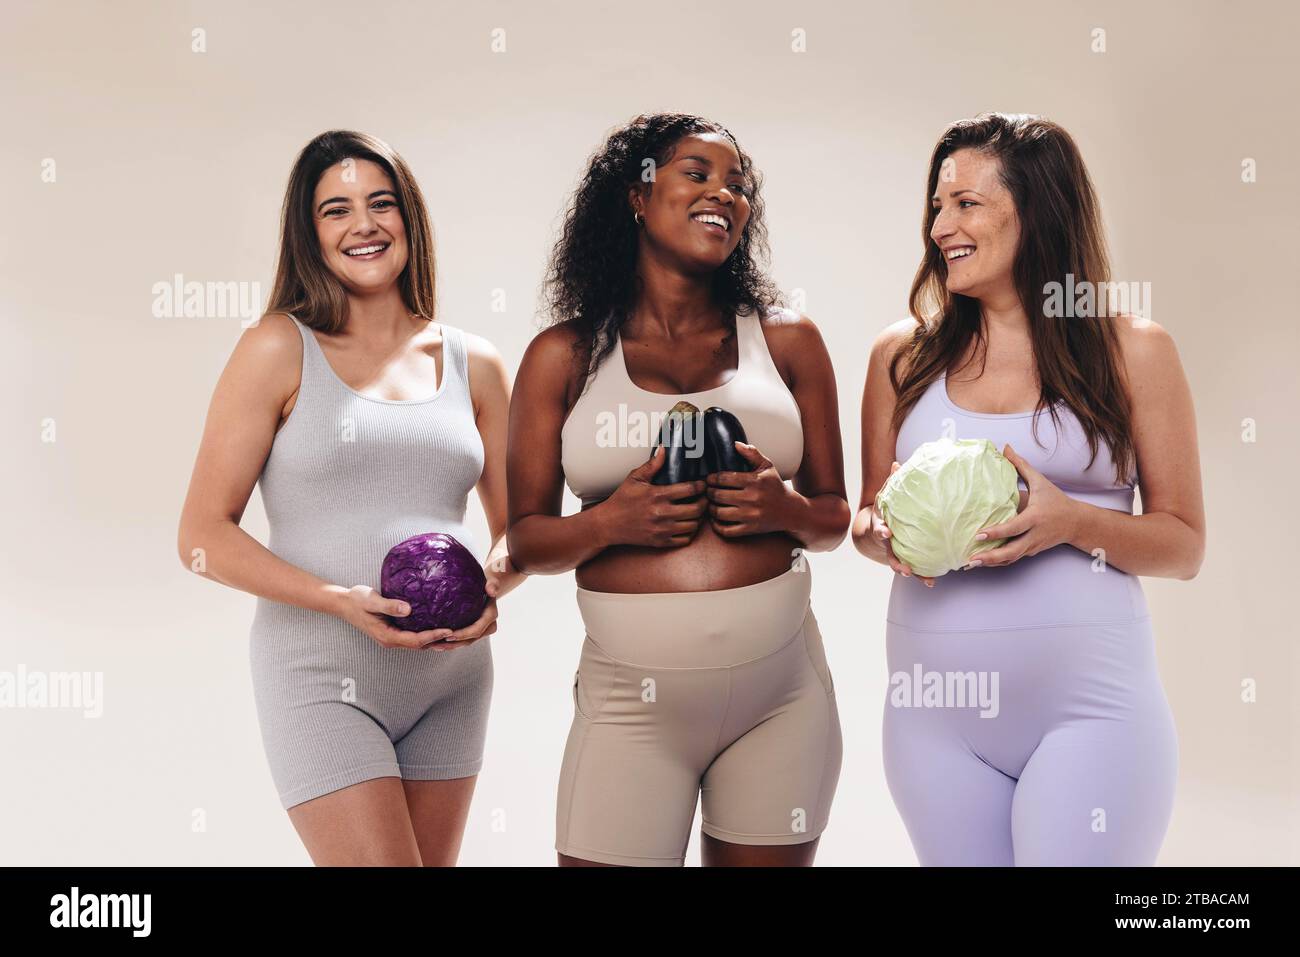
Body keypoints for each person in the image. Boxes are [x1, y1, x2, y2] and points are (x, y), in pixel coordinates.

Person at [854, 113, 1205, 865]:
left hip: (1091, 715)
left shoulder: (1134, 350)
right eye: (937, 205)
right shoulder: (901, 357)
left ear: (1037, 211)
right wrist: (872, 535)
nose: (941, 224)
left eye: (967, 204)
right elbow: (866, 513)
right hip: (935, 723)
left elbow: (1183, 544)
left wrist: (1072, 520)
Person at [508, 113, 850, 867]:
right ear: (637, 195)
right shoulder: (562, 356)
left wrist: (784, 510)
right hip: (632, 706)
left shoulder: (788, 339)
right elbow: (527, 537)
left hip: (781, 698)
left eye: (739, 186)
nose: (724, 195)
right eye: (698, 174)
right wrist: (610, 523)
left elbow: (833, 516)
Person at [177, 130, 523, 865]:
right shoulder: (277, 347)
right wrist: (337, 598)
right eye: (336, 210)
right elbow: (201, 535)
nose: (362, 225)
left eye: (380, 203)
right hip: (319, 673)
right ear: (310, 234)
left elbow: (516, 530)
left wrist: (492, 587)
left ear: (410, 219)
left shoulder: (476, 364)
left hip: (450, 679)